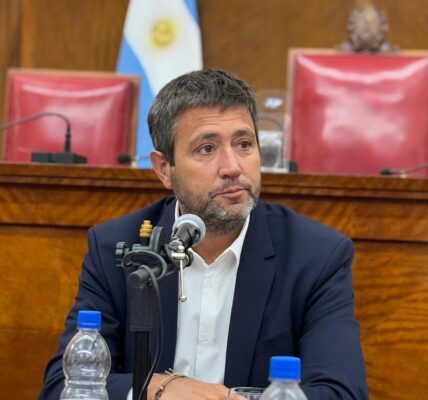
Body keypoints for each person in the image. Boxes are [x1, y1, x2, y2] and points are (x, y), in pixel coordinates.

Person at [40, 69, 368, 400]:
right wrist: (156, 389)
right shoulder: (117, 248)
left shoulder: (315, 257)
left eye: (244, 144)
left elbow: (341, 391)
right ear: (164, 169)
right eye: (206, 148)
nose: (232, 167)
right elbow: (63, 386)